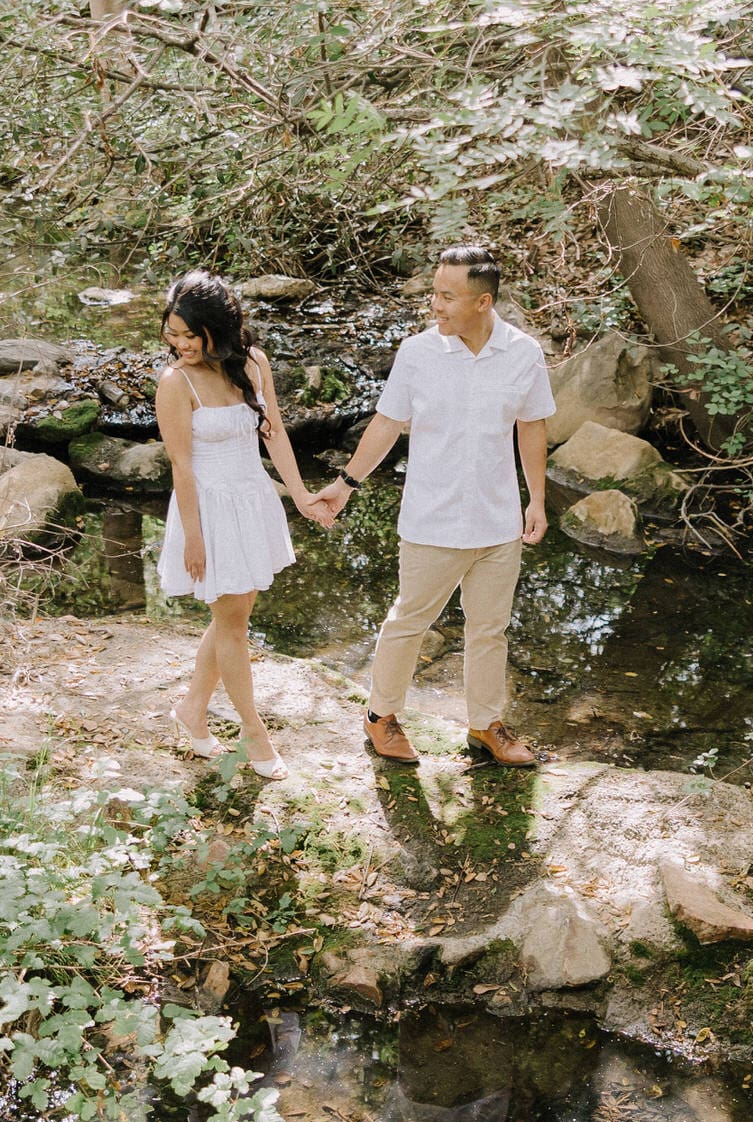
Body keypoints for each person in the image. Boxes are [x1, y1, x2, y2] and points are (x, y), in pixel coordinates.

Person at [312, 244, 555, 767]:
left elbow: (531, 425)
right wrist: (346, 482)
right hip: (432, 520)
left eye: (447, 296)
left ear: (483, 302)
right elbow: (385, 423)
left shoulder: (523, 353)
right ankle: (381, 717)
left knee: (490, 629)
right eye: (433, 294)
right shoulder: (417, 354)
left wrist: (536, 498)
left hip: (498, 522)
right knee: (408, 622)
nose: (435, 306)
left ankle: (485, 725)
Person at [158, 270, 333, 780]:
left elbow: (274, 433)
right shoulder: (176, 382)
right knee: (234, 623)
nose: (181, 345)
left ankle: (191, 710)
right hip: (207, 510)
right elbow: (181, 466)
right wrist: (193, 536)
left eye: (191, 335)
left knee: (234, 615)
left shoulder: (253, 364)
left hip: (251, 499)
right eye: (173, 334)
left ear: (220, 329)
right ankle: (254, 732)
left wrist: (300, 496)